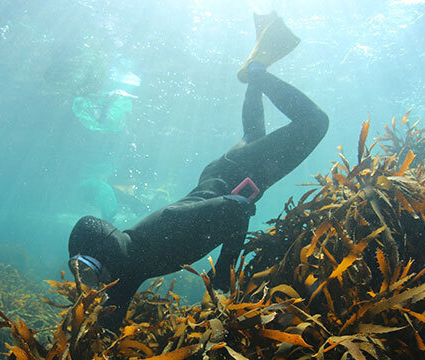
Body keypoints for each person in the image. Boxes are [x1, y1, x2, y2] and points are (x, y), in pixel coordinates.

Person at [67, 12, 329, 331]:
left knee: (315, 123)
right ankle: (254, 68)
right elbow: (113, 314)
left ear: (107, 253)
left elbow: (237, 209)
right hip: (224, 173)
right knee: (254, 136)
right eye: (83, 274)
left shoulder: (160, 232)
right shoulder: (128, 267)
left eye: (89, 272)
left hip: (240, 174)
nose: (92, 282)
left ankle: (257, 72)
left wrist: (225, 267)